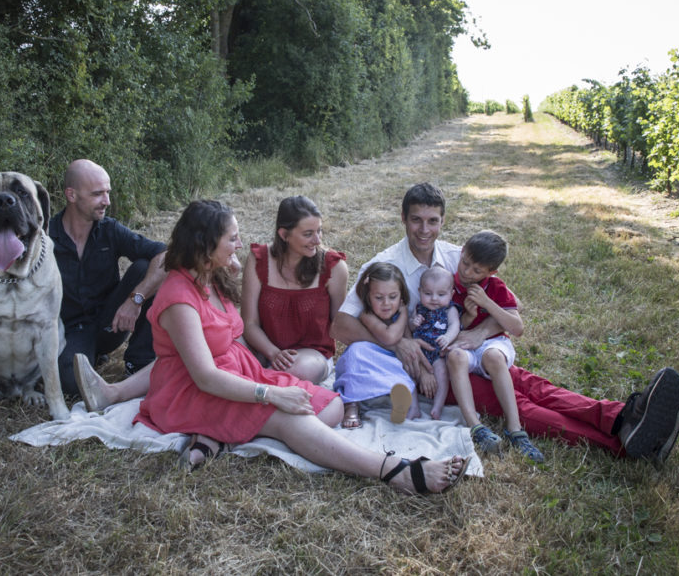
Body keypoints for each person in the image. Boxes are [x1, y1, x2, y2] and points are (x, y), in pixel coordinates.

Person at [119, 199, 466, 492]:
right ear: (205, 246)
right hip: (192, 390)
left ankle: (217, 437)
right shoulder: (179, 298)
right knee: (289, 416)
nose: (239, 245)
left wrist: (230, 263)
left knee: (329, 408)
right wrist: (269, 395)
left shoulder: (210, 277)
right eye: (232, 239)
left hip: (239, 371)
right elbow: (206, 377)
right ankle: (395, 470)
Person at [330, 183, 679, 464]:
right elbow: (342, 327)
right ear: (403, 218)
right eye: (416, 220)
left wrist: (476, 333)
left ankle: (619, 414)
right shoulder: (383, 265)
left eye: (433, 220)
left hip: (469, 352)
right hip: (428, 370)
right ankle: (619, 443)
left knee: (533, 385)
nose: (425, 229)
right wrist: (399, 343)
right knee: (516, 403)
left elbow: (507, 309)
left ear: (443, 221)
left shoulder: (460, 258)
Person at [49, 159, 167, 396]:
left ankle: (138, 363)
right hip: (69, 331)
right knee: (72, 387)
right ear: (71, 195)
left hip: (111, 321)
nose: (107, 201)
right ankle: (88, 356)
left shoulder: (110, 229)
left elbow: (166, 255)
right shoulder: (46, 237)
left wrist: (135, 300)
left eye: (107, 192)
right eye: (97, 194)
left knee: (147, 267)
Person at [445, 230, 543, 462]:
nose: (467, 273)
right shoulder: (448, 283)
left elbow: (517, 328)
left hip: (494, 344)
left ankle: (515, 428)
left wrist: (487, 303)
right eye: (465, 263)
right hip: (464, 344)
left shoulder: (496, 287)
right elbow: (454, 330)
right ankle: (475, 426)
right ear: (462, 252)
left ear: (491, 271)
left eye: (477, 270)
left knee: (494, 358)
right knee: (455, 357)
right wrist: (468, 317)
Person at [241, 196, 348, 383]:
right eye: (308, 234)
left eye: (319, 231)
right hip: (264, 348)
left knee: (296, 371)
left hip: (310, 356)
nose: (317, 240)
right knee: (227, 349)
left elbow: (340, 325)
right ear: (284, 235)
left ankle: (256, 385)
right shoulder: (258, 260)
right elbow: (249, 324)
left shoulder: (334, 267)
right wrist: (273, 353)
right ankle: (258, 382)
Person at [333, 262, 421, 427]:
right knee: (355, 351)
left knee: (406, 363)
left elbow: (408, 341)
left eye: (392, 297)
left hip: (393, 361)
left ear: (401, 296)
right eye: (379, 298)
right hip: (369, 357)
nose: (386, 303)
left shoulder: (402, 315)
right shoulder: (367, 315)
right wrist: (403, 313)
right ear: (368, 297)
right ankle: (351, 405)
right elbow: (389, 337)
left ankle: (409, 405)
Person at [409, 266, 461, 421]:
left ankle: (437, 407)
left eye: (441, 294)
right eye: (427, 293)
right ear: (419, 291)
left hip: (436, 352)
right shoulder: (419, 308)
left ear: (451, 294)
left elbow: (455, 326)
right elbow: (410, 327)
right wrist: (414, 322)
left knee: (442, 374)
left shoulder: (449, 310)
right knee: (408, 373)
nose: (434, 299)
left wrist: (448, 337)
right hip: (417, 350)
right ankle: (414, 407)